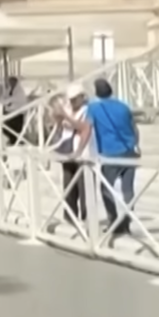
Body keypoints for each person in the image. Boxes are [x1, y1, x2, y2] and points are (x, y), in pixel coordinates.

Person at [86, 78, 140, 236]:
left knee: (106, 188)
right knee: (128, 189)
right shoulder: (123, 106)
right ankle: (127, 221)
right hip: (129, 151)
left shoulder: (93, 108)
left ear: (96, 92)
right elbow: (134, 129)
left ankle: (113, 219)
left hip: (110, 154)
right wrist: (136, 144)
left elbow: (87, 128)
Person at [44, 84, 90, 235]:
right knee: (68, 185)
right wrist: (57, 114)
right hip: (67, 151)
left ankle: (86, 219)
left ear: (82, 97)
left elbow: (80, 127)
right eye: (71, 100)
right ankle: (69, 216)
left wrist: (66, 116)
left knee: (84, 187)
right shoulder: (69, 109)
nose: (72, 102)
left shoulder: (87, 110)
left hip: (83, 152)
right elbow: (60, 125)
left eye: (75, 99)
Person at [1, 77, 29, 145]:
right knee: (6, 129)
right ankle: (14, 142)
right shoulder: (10, 90)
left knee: (15, 130)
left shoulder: (20, 92)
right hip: (10, 113)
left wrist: (5, 101)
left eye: (12, 82)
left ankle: (16, 143)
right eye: (9, 82)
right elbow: (3, 98)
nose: (10, 83)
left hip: (17, 114)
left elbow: (10, 100)